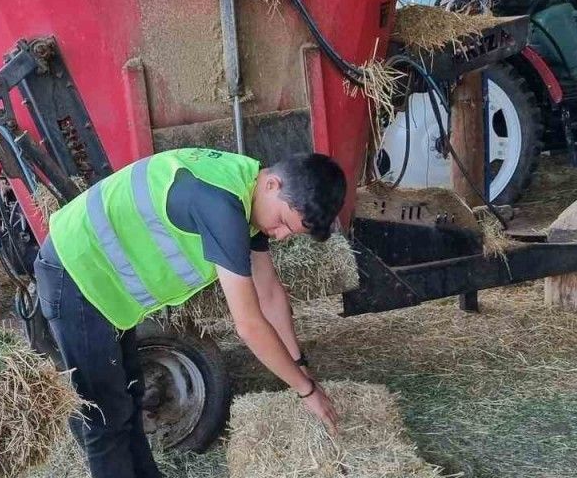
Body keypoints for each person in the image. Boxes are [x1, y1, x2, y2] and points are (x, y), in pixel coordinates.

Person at [34, 148, 346, 478]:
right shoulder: (221, 207)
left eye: (290, 232)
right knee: (106, 416)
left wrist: (300, 367)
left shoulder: (245, 188)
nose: (280, 235)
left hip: (103, 283)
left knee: (129, 397)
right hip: (76, 273)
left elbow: (269, 294)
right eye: (282, 222)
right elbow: (250, 325)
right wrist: (306, 390)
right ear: (273, 184)